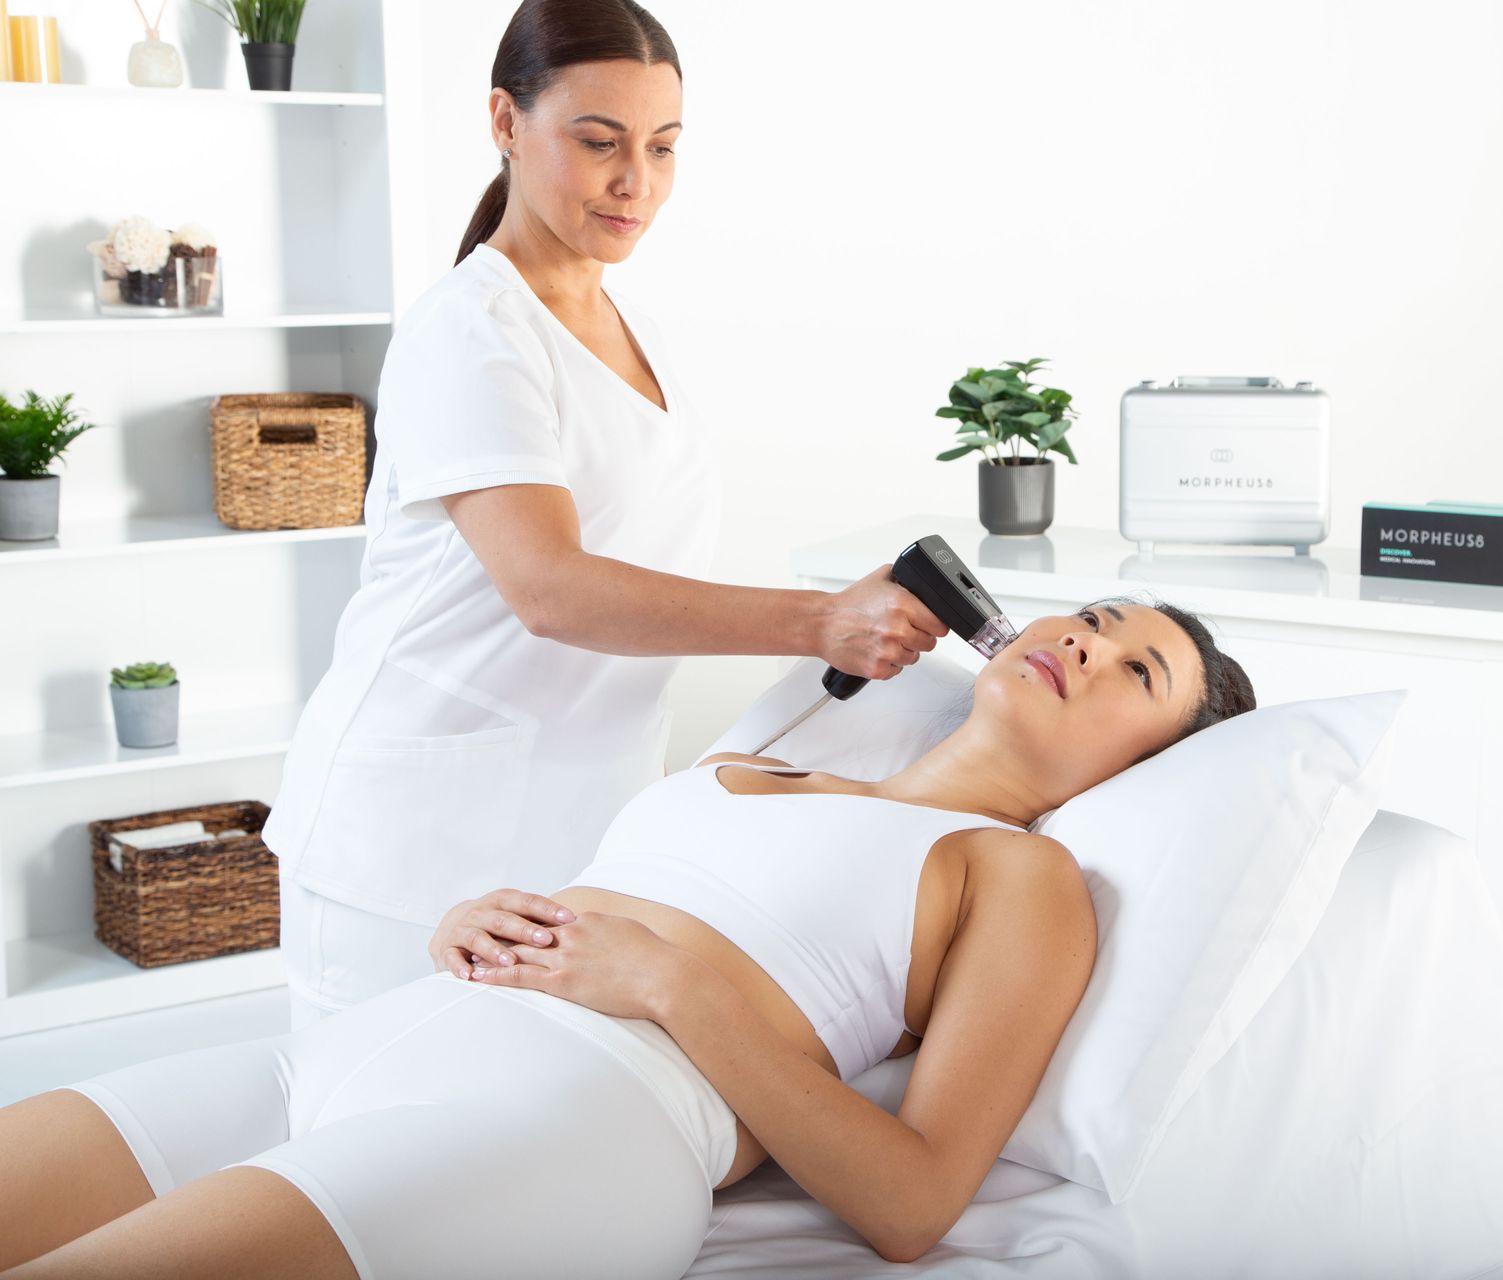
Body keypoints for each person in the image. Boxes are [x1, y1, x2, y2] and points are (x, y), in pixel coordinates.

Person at [0, 603, 1255, 1279]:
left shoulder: (1021, 876)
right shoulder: (761, 761)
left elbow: (914, 1203)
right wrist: (476, 915)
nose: (1090, 643)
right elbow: (627, 894)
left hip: (574, 1128)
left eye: (1137, 672)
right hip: (360, 1049)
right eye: (1093, 618)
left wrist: (674, 981)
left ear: (1144, 765)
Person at [266, 0, 946, 1027]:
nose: (638, 181)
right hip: (411, 844)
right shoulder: (472, 332)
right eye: (599, 143)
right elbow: (550, 588)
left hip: (581, 826)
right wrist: (815, 621)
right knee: (380, 1140)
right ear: (505, 122)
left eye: (663, 147)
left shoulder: (631, 322)